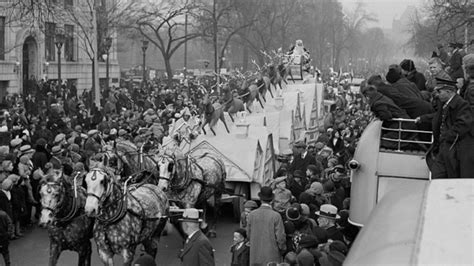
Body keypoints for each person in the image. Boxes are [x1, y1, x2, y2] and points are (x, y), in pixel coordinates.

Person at [417, 78, 474, 178]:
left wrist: (447, 137)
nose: (437, 95)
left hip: (455, 149)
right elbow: (437, 117)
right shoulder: (445, 104)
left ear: (449, 91)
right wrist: (424, 118)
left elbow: (463, 125)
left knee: (450, 178)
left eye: (439, 91)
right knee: (437, 175)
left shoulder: (462, 105)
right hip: (444, 147)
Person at [247, 186, 286, 265]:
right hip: (272, 255)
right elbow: (280, 237)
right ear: (272, 200)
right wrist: (282, 249)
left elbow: (248, 234)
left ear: (260, 199)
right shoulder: (276, 216)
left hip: (255, 254)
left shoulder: (251, 215)